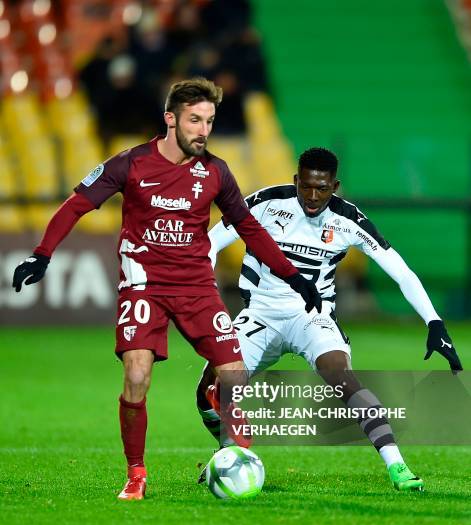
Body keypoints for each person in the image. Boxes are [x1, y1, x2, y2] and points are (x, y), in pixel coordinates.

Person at [12, 78, 321, 501]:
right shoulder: (130, 164)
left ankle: (220, 401)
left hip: (196, 286)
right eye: (195, 120)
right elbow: (77, 204)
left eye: (209, 121)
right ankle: (136, 473)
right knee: (136, 377)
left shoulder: (215, 171)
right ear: (170, 119)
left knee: (234, 374)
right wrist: (42, 254)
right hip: (143, 286)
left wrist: (293, 275)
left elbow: (248, 226)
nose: (203, 130)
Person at [196, 147, 463, 491]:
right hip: (260, 314)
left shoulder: (348, 219)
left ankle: (399, 468)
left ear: (334, 186)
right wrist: (206, 300)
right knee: (208, 392)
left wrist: (434, 322)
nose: (312, 196)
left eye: (322, 189)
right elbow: (209, 245)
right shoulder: (265, 202)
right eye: (305, 186)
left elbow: (400, 271)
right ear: (296, 180)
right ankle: (229, 454)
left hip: (311, 316)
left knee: (341, 376)